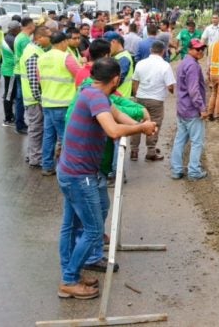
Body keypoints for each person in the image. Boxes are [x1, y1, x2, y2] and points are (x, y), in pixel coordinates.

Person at [56, 57, 157, 299]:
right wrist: (141, 128)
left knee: (72, 226)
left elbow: (118, 115)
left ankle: (71, 273)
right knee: (92, 230)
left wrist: (142, 124)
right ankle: (69, 280)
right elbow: (112, 130)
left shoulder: (93, 92)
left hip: (72, 171)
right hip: (79, 175)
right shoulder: (95, 97)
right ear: (115, 80)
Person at [38, 32, 82, 176]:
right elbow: (80, 76)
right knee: (65, 137)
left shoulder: (42, 57)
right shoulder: (66, 58)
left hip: (47, 103)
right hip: (63, 103)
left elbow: (40, 79)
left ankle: (47, 166)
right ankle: (67, 168)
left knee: (48, 136)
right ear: (63, 43)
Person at [170, 39, 209, 181]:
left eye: (202, 49)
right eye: (198, 49)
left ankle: (176, 170)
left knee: (180, 140)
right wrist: (202, 108)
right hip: (192, 110)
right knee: (197, 142)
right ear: (190, 49)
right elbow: (194, 91)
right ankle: (194, 171)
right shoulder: (193, 66)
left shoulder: (184, 63)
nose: (201, 52)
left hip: (182, 108)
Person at [130, 41, 175, 162]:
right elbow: (170, 86)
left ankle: (134, 151)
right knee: (154, 124)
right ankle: (151, 151)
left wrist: (136, 94)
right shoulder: (165, 65)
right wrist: (171, 91)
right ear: (163, 51)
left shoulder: (140, 63)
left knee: (137, 124)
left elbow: (135, 81)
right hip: (156, 100)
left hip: (140, 98)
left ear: (151, 50)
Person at [19, 26, 51, 169]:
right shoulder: (33, 54)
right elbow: (33, 80)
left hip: (32, 98)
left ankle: (31, 153)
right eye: (48, 37)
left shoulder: (35, 51)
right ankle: (35, 158)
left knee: (35, 128)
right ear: (39, 38)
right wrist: (39, 98)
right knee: (36, 129)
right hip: (34, 99)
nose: (50, 40)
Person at [13, 17, 36, 134]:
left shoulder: (20, 36)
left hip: (18, 70)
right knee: (21, 99)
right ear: (30, 26)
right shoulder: (25, 40)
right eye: (34, 24)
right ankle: (20, 124)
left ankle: (19, 122)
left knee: (19, 99)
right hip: (22, 72)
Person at [0, 21, 22, 126]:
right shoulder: (12, 40)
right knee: (8, 95)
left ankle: (10, 116)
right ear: (15, 29)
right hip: (11, 71)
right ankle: (8, 119)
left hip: (7, 69)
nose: (20, 30)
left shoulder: (7, 37)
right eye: (19, 28)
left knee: (9, 94)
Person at [105, 32, 134, 98]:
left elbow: (117, 80)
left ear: (113, 42)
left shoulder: (123, 58)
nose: (106, 49)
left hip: (120, 100)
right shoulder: (117, 56)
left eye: (107, 45)